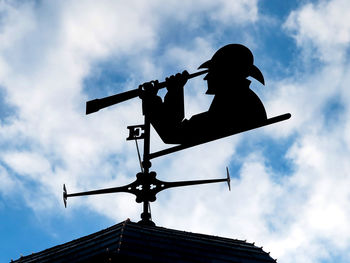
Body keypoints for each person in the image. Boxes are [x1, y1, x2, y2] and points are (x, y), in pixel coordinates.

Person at [140, 44, 267, 145]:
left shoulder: (236, 99)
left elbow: (174, 134)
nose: (206, 78)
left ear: (226, 73)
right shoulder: (237, 95)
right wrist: (175, 91)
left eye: (212, 71)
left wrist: (152, 99)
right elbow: (177, 130)